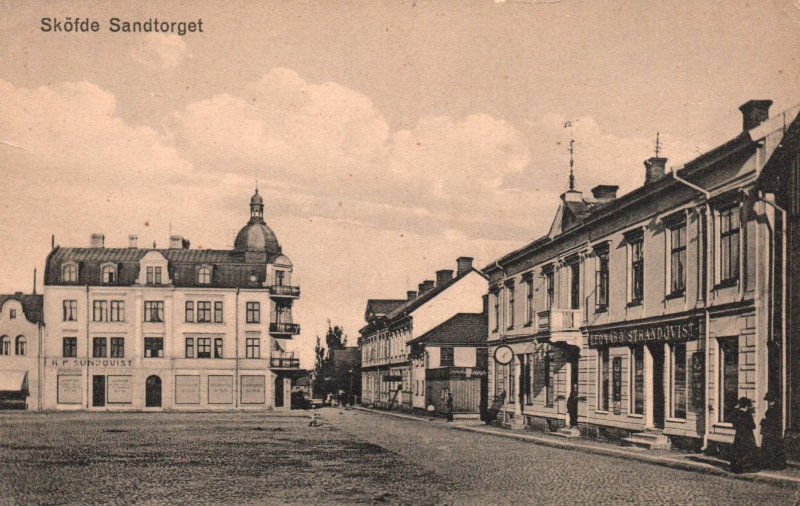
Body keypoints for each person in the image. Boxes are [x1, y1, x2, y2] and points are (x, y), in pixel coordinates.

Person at [730, 397, 761, 473]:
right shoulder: (748, 415)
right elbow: (753, 426)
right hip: (747, 435)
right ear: (747, 406)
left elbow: (733, 425)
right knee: (749, 451)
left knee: (738, 451)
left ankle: (737, 468)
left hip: (739, 435)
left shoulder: (736, 413)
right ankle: (748, 468)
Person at [761, 391, 787, 470]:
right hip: (771, 430)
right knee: (770, 446)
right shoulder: (773, 408)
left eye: (770, 401)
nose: (769, 402)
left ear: (773, 401)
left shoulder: (775, 409)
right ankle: (771, 464)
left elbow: (773, 420)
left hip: (772, 431)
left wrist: (765, 421)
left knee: (771, 447)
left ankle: (774, 464)